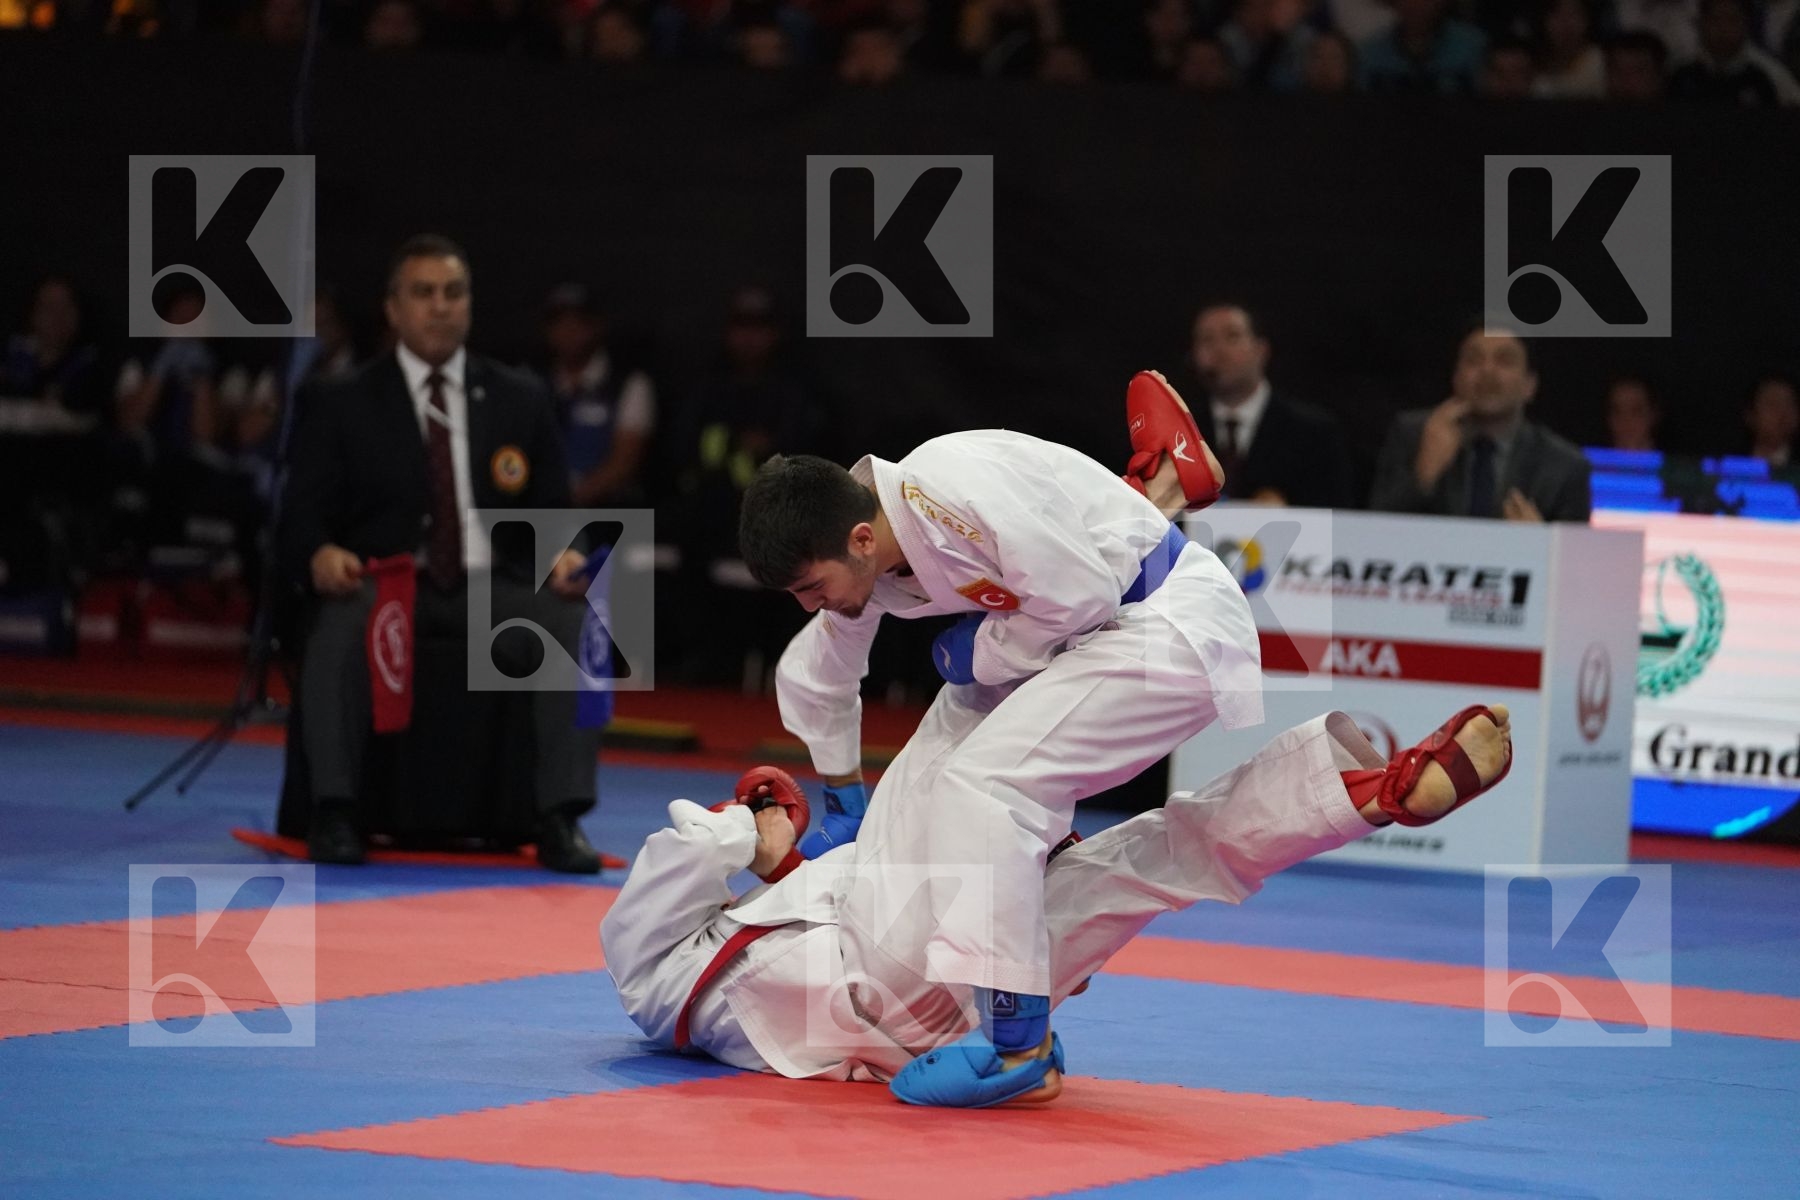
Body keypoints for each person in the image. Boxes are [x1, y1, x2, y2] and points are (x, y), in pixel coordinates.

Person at [602, 375, 1514, 1107]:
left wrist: (746, 832)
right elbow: (819, 670)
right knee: (1135, 860)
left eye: (811, 586)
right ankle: (1362, 789)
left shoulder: (944, 490)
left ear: (859, 532)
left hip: (1156, 634)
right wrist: (837, 791)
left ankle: (1017, 1044)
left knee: (985, 778)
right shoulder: (862, 556)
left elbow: (1076, 597)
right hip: (930, 991)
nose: (817, 605)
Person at [280, 234, 605, 871]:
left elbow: (556, 513)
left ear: (470, 306)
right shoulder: (340, 398)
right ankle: (337, 811)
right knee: (338, 623)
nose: (439, 306)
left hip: (492, 587)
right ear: (393, 309)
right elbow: (299, 519)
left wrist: (566, 556)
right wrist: (320, 554)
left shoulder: (519, 395)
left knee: (577, 619)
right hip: (383, 584)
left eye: (453, 293)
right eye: (423, 293)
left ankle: (559, 819)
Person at [1369, 324, 1592, 522]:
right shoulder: (1413, 435)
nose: (1487, 371)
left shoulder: (1564, 466)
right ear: (1456, 378)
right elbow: (1369, 532)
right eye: (1474, 360)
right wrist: (1423, 475)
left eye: (1504, 361)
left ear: (1530, 385)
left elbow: (1576, 562)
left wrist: (1539, 543)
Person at [1189, 305, 1357, 508]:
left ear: (1261, 350)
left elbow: (1338, 518)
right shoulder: (1180, 432)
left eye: (1232, 337)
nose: (1219, 350)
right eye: (1207, 339)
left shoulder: (1313, 433)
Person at [539, 283, 656, 507]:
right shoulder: (536, 387)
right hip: (541, 513)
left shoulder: (629, 384)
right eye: (559, 322)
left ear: (597, 325)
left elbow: (623, 465)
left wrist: (568, 499)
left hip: (606, 514)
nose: (568, 330)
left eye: (578, 322)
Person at [1743, 375, 1799, 469]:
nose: (1783, 414)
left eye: (1789, 405)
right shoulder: (1727, 459)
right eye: (1772, 404)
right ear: (1750, 415)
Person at [1603, 374, 1661, 452]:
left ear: (1653, 415)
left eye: (1636, 411)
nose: (1625, 420)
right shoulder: (1588, 462)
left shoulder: (1675, 462)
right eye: (1617, 411)